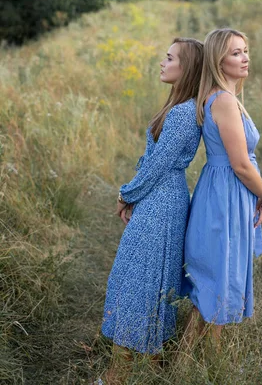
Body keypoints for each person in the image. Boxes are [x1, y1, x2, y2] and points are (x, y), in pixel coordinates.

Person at [101, 37, 204, 367]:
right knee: (145, 277)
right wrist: (134, 194)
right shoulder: (178, 108)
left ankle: (119, 372)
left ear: (185, 68)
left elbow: (158, 166)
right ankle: (152, 359)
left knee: (139, 279)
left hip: (162, 202)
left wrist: (126, 194)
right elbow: (152, 161)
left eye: (170, 58)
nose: (163, 62)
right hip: (159, 197)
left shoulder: (183, 114)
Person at [182, 28, 262, 342]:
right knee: (218, 272)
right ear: (218, 61)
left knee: (220, 270)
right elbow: (241, 164)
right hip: (226, 191)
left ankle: (204, 356)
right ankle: (197, 359)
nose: (245, 57)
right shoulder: (223, 101)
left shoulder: (227, 97)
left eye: (245, 50)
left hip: (226, 189)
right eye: (235, 52)